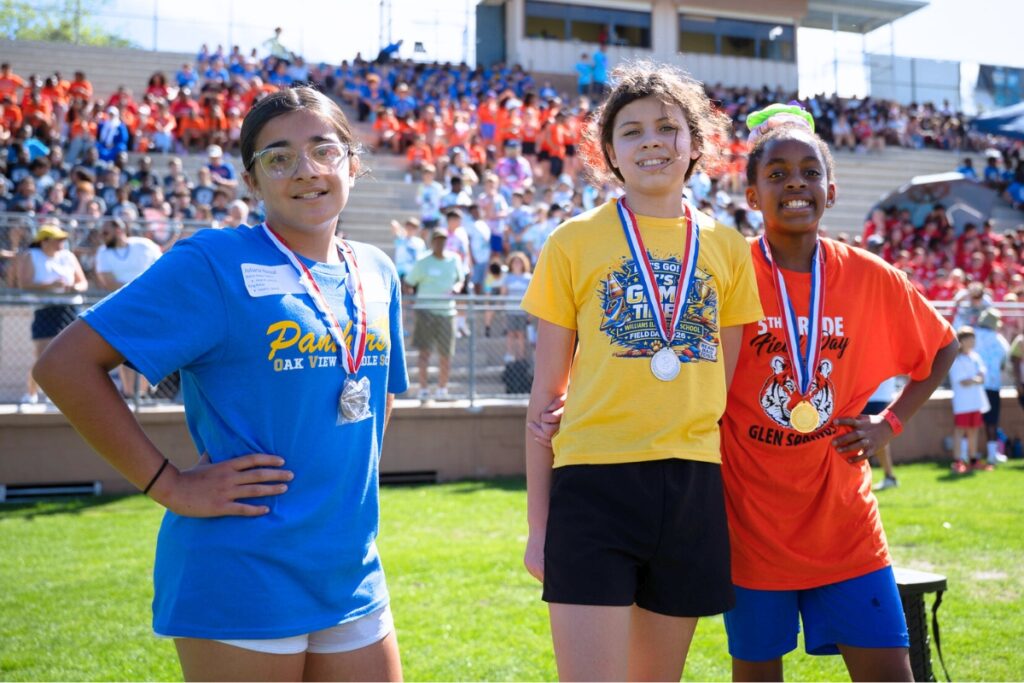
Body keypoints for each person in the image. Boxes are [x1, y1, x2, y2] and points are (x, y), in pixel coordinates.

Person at [32, 86, 408, 682]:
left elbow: (377, 395)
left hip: (350, 568)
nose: (306, 170)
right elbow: (64, 365)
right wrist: (169, 484)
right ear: (252, 182)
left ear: (352, 164)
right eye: (278, 157)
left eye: (323, 150)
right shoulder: (213, 261)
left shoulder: (377, 270)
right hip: (243, 565)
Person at [521, 62, 764, 681]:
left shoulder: (729, 248)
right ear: (608, 153)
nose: (651, 140)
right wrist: (538, 526)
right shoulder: (571, 242)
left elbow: (725, 383)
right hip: (593, 483)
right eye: (630, 132)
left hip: (690, 486)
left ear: (696, 143)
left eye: (667, 126)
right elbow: (545, 403)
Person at [16, 220, 88, 405]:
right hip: (45, 309)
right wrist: (50, 286)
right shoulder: (31, 255)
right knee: (42, 356)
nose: (61, 243)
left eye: (62, 239)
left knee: (69, 356)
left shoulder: (68, 256)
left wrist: (73, 287)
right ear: (43, 241)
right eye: (56, 239)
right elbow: (25, 284)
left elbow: (83, 283)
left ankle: (59, 395)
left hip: (70, 309)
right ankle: (31, 393)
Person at [405, 227, 467, 401]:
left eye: (443, 240)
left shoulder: (454, 260)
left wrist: (457, 287)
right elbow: (409, 282)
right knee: (424, 352)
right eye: (437, 240)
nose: (440, 243)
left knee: (446, 354)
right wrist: (411, 298)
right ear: (432, 242)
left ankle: (442, 388)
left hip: (447, 312)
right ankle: (423, 388)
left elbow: (460, 279)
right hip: (426, 312)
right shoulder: (422, 261)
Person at [949, 326, 990, 473]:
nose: (972, 342)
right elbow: (962, 381)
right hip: (963, 402)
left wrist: (975, 379)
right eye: (968, 339)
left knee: (974, 430)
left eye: (973, 339)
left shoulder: (975, 357)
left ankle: (973, 459)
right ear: (961, 341)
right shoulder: (956, 359)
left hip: (975, 401)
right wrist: (975, 379)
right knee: (960, 431)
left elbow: (982, 375)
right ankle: (958, 461)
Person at [974, 308, 1010, 465]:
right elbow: (1004, 362)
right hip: (993, 384)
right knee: (992, 420)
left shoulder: (973, 335)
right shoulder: (1000, 340)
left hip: (974, 384)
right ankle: (991, 454)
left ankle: (968, 454)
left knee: (971, 421)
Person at [864, 377, 901, 490]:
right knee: (868, 437)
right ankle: (887, 477)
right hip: (872, 396)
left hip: (876, 397)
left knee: (877, 436)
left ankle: (889, 476)